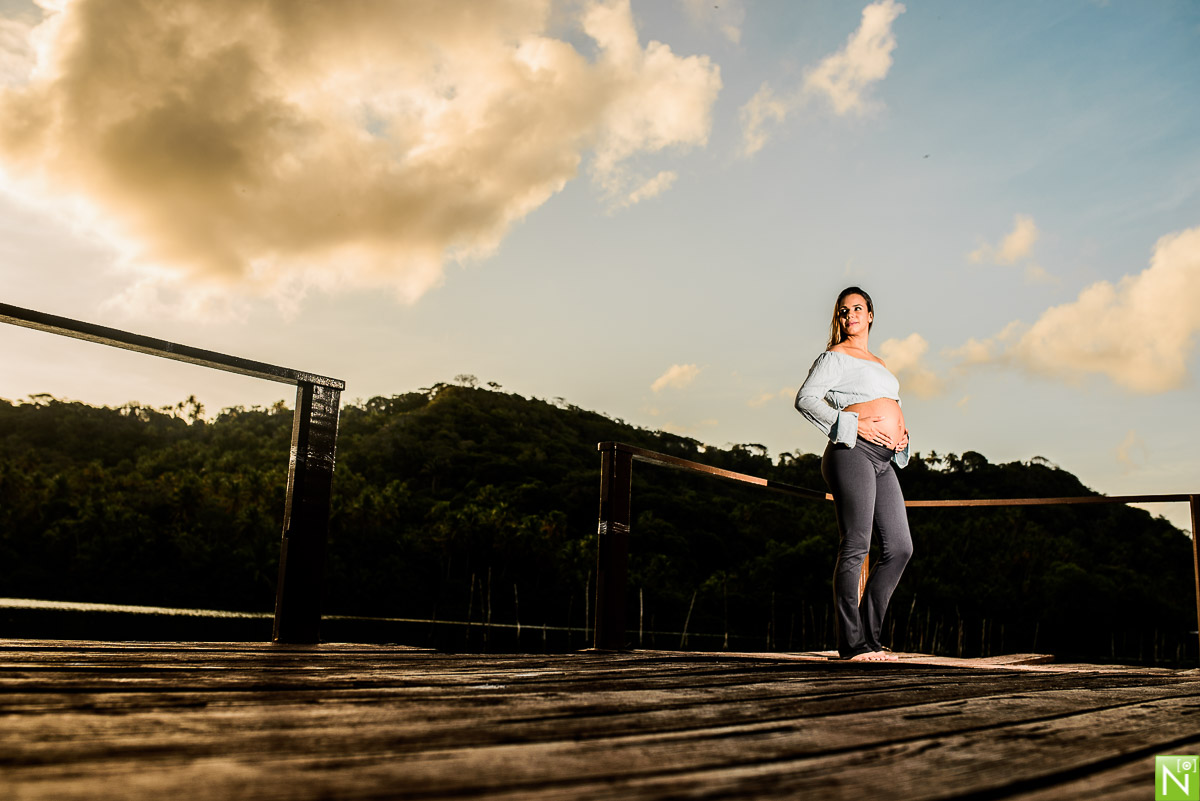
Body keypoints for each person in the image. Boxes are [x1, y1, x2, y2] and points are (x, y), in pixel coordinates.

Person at [795, 286, 913, 662]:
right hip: (852, 453)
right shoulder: (835, 356)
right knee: (856, 544)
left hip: (884, 460)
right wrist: (852, 424)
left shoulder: (879, 363)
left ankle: (871, 638)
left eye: (857, 309)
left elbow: (887, 405)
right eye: (844, 311)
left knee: (900, 547)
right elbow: (805, 399)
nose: (850, 316)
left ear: (870, 315)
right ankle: (852, 644)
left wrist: (901, 435)